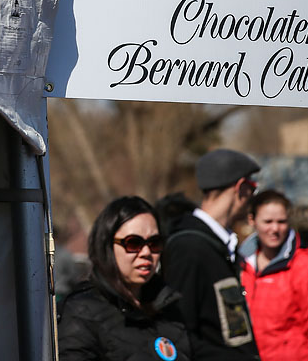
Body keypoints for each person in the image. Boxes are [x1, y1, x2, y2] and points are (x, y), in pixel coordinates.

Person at [58, 196, 192, 361]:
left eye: (154, 243)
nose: (146, 253)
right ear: (107, 246)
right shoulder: (82, 311)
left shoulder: (169, 306)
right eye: (133, 243)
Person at [161, 149, 261, 360]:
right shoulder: (188, 247)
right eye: (253, 188)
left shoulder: (218, 245)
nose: (252, 196)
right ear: (240, 187)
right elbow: (178, 334)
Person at [238, 189, 308, 360]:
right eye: (268, 221)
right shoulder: (241, 264)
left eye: (281, 222)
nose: (275, 229)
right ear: (252, 220)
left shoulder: (306, 266)